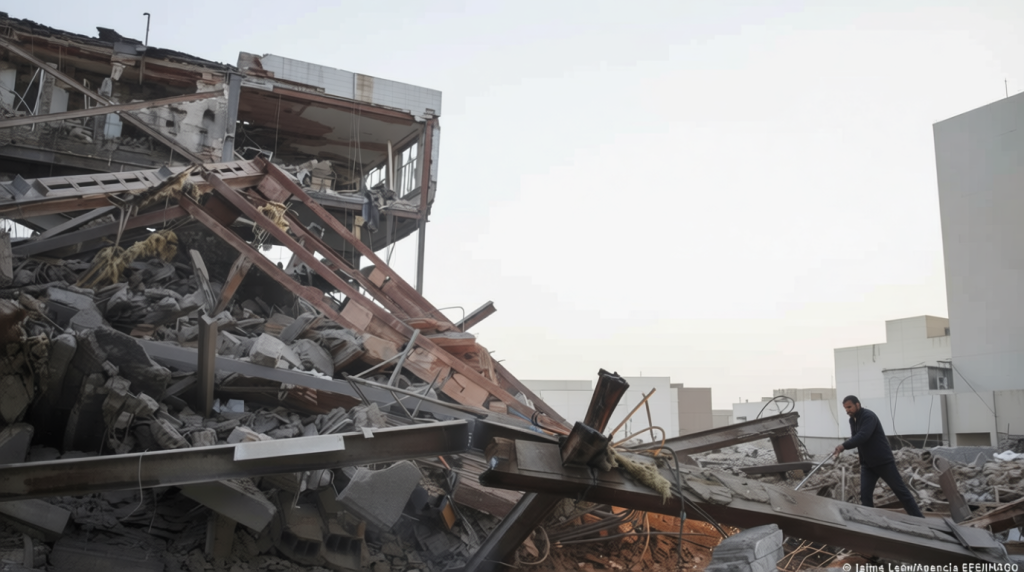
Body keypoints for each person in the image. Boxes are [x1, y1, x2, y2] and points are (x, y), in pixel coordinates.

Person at [833, 395, 923, 518]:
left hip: (883, 462)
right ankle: (871, 522)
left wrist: (843, 446)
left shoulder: (869, 416)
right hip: (867, 464)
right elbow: (856, 439)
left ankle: (919, 519)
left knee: (900, 491)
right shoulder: (852, 420)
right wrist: (860, 457)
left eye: (849, 407)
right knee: (865, 496)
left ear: (857, 405)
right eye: (845, 408)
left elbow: (863, 436)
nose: (847, 410)